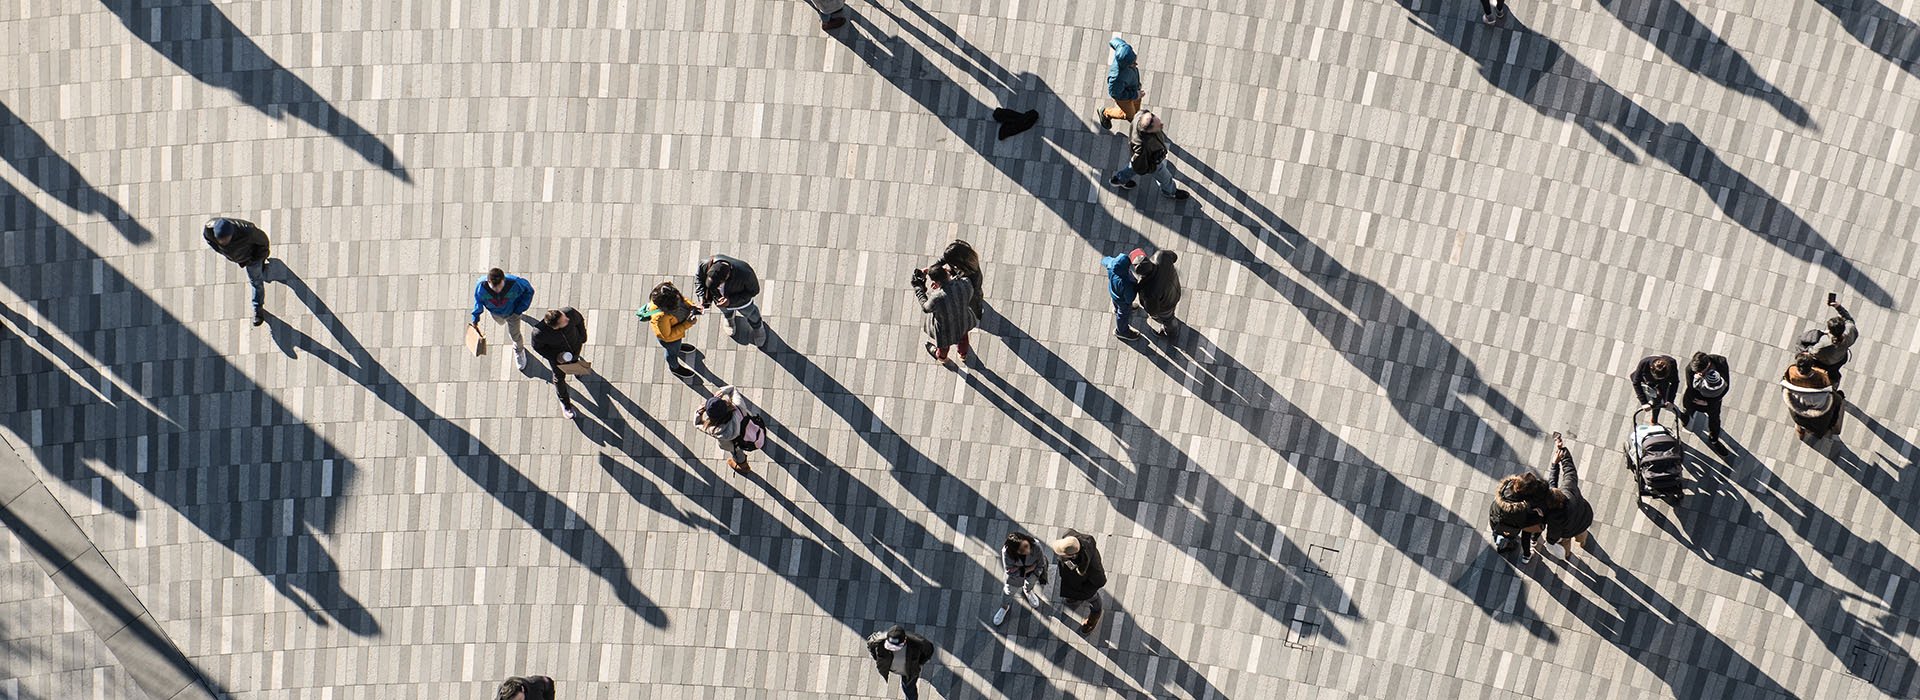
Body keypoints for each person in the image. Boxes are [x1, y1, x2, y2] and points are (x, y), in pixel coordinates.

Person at [202, 217, 272, 326]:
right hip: (240, 257)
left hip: (251, 259)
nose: (222, 242)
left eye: (225, 239)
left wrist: (254, 259)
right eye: (219, 239)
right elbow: (209, 240)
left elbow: (263, 243)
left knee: (256, 282)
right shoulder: (209, 229)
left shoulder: (247, 231)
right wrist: (221, 250)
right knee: (257, 276)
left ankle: (258, 308)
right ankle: (261, 266)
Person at [1107, 111, 1191, 200]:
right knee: (1165, 178)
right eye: (1157, 125)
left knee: (1132, 167)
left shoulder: (1141, 116)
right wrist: (1153, 165)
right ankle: (1170, 192)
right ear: (1148, 131)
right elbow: (1140, 163)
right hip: (1152, 162)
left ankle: (1119, 179)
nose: (1160, 124)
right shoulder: (1143, 145)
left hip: (1145, 156)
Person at [1539, 433, 1593, 561]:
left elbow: (1553, 535)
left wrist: (1550, 541)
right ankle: (1582, 542)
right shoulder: (1569, 488)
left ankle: (1567, 555)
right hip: (1584, 517)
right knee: (1582, 533)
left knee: (1565, 543)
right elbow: (1569, 470)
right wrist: (1561, 451)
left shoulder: (1553, 516)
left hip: (1568, 531)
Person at [695, 254, 767, 347]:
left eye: (719, 284)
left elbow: (754, 291)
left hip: (742, 302)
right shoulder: (705, 264)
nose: (718, 287)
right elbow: (699, 279)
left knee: (751, 313)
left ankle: (758, 327)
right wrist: (701, 297)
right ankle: (729, 317)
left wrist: (731, 301)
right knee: (725, 310)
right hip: (720, 301)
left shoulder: (745, 272)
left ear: (727, 275)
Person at [470, 268, 535, 369]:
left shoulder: (515, 283)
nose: (497, 291)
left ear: (503, 280)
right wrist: (475, 317)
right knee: (501, 322)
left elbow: (529, 291)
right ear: (488, 282)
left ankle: (519, 350)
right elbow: (478, 301)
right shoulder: (481, 286)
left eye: (499, 287)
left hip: (513, 313)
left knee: (515, 334)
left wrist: (519, 309)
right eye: (494, 288)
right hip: (496, 313)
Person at [530, 307, 588, 419]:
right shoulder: (539, 334)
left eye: (564, 316)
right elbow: (538, 348)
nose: (567, 319)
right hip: (559, 358)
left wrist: (583, 337)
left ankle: (577, 370)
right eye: (564, 321)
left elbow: (580, 320)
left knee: (575, 361)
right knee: (559, 379)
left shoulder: (569, 312)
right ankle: (565, 404)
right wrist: (555, 357)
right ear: (555, 327)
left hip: (575, 346)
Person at [912, 266, 977, 363]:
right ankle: (963, 355)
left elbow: (926, 308)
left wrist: (918, 288)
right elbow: (962, 277)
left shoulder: (937, 298)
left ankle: (942, 358)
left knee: (943, 346)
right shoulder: (965, 284)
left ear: (936, 282)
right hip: (964, 320)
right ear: (946, 272)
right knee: (963, 338)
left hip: (945, 329)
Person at [638, 282, 700, 378]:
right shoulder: (660, 317)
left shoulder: (671, 294)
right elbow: (667, 336)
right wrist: (688, 324)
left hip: (676, 332)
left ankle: (678, 347)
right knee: (672, 352)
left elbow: (683, 301)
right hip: (670, 340)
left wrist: (692, 306)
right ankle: (675, 367)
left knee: (676, 345)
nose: (679, 298)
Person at [697, 385, 764, 472]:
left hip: (736, 444)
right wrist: (723, 391)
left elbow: (697, 424)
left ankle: (743, 466)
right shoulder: (738, 406)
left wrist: (698, 412)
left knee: (737, 452)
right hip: (752, 429)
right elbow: (733, 388)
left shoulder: (716, 430)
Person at [1487, 471, 1550, 564]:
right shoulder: (1518, 509)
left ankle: (1502, 542)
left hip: (1494, 517)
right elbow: (1522, 524)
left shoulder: (1507, 486)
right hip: (1507, 525)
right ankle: (1507, 546)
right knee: (1508, 537)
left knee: (1499, 534)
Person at [1053, 530, 1107, 634]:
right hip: (1071, 580)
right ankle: (1074, 596)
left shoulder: (1092, 566)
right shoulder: (1068, 538)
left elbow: (1100, 581)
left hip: (1083, 587)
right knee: (1072, 592)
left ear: (1073, 555)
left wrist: (1083, 592)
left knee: (1093, 598)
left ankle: (1096, 612)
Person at [1679, 351, 1732, 455]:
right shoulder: (1690, 369)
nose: (1698, 374)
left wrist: (1708, 403)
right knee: (1687, 409)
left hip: (1713, 401)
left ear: (1707, 365)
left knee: (1715, 420)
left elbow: (1725, 386)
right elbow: (1692, 388)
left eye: (1700, 372)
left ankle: (1714, 440)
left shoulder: (1720, 362)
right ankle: (1686, 417)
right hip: (1694, 398)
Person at [864, 625, 935, 700]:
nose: (894, 650)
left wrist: (919, 663)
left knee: (909, 689)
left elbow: (929, 649)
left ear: (904, 640)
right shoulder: (879, 639)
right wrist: (877, 658)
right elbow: (870, 644)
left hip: (909, 672)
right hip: (896, 668)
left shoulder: (917, 642)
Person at [993, 532, 1049, 627]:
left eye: (1026, 546)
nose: (1027, 551)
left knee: (1030, 585)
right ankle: (1004, 607)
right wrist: (1030, 568)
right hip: (1015, 578)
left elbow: (1041, 563)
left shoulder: (1036, 545)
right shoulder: (1006, 552)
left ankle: (1028, 591)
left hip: (1032, 574)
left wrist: (1033, 572)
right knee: (1009, 592)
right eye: (1022, 551)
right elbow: (1010, 571)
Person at [1797, 296, 1857, 382]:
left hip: (1825, 363)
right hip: (1840, 358)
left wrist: (1807, 350)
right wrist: (1838, 307)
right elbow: (1849, 320)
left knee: (1802, 343)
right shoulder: (1850, 331)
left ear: (1829, 330)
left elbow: (1813, 351)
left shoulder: (1824, 344)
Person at [1782, 356, 1842, 441]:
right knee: (1838, 399)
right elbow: (1828, 387)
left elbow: (1786, 379)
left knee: (1800, 419)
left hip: (1798, 405)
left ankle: (1800, 430)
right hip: (1818, 408)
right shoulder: (1821, 375)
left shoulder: (1791, 370)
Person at [1134, 250, 1183, 339]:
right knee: (1170, 313)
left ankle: (1172, 333)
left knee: (1168, 319)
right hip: (1175, 290)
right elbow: (1174, 257)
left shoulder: (1148, 289)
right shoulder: (1162, 256)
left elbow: (1152, 310)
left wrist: (1154, 316)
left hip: (1166, 305)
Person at [1097, 36, 1144, 130]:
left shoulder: (1123, 48)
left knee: (1136, 109)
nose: (1136, 64)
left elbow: (1113, 41)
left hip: (1134, 88)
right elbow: (1115, 94)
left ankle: (1137, 119)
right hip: (1125, 97)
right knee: (1130, 115)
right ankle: (1105, 113)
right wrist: (1135, 95)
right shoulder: (1116, 78)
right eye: (1132, 63)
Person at [934, 239, 984, 320]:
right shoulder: (957, 250)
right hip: (963, 279)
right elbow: (944, 258)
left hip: (973, 290)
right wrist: (934, 268)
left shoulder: (973, 275)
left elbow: (973, 290)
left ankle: (977, 313)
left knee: (974, 301)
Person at [1102, 248, 1145, 341]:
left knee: (1116, 303)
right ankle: (1121, 331)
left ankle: (1117, 309)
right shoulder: (1124, 282)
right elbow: (1129, 297)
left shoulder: (1112, 265)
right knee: (1123, 314)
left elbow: (1105, 260)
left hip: (1114, 292)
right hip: (1123, 300)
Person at [1628, 354, 1680, 425]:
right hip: (1647, 380)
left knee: (1659, 399)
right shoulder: (1644, 363)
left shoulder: (1672, 363)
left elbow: (1675, 382)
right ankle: (1654, 419)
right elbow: (1636, 383)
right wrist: (1644, 403)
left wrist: (1670, 400)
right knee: (1655, 398)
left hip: (1663, 383)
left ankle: (1654, 419)